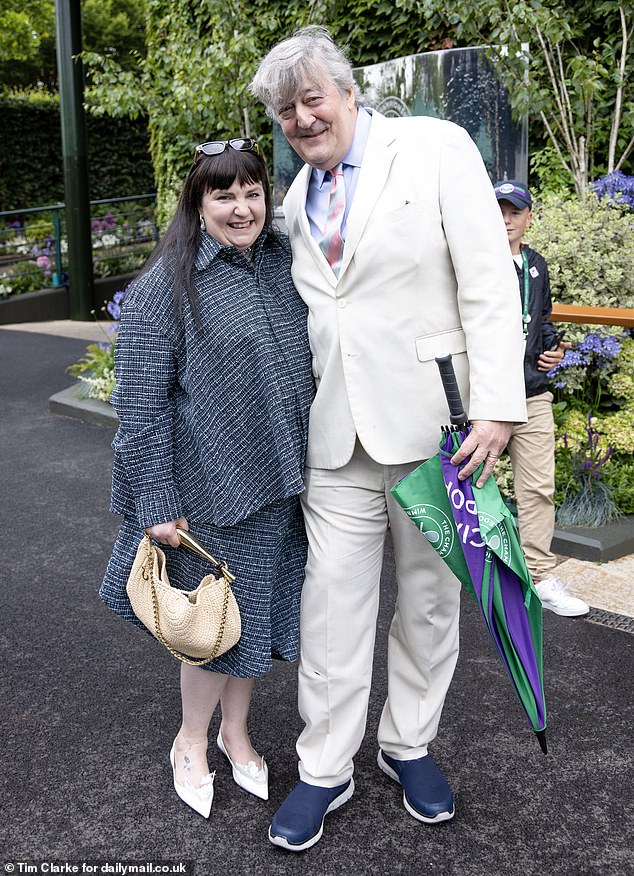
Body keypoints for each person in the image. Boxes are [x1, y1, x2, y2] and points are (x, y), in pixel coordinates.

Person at [250, 26, 527, 851]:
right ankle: (324, 768)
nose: (302, 118)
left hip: (439, 430)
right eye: (287, 110)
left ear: (347, 94)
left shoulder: (436, 148)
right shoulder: (294, 197)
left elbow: (486, 279)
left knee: (432, 602)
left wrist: (499, 408)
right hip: (333, 437)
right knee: (331, 608)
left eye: (313, 99)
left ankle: (408, 743)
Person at [99, 138, 314, 819]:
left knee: (249, 621)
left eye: (253, 192)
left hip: (282, 481)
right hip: (209, 490)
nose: (243, 207)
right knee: (209, 626)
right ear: (198, 202)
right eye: (224, 194)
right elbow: (138, 405)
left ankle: (236, 731)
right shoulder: (166, 284)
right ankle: (191, 741)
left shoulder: (284, 262)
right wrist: (157, 499)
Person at [494, 180, 589, 617]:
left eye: (515, 211)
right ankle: (472, 575)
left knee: (538, 489)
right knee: (470, 488)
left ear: (528, 217)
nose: (506, 219)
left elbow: (543, 320)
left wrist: (554, 347)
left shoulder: (536, 265)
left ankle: (538, 574)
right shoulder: (476, 261)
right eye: (499, 210)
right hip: (484, 398)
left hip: (532, 393)